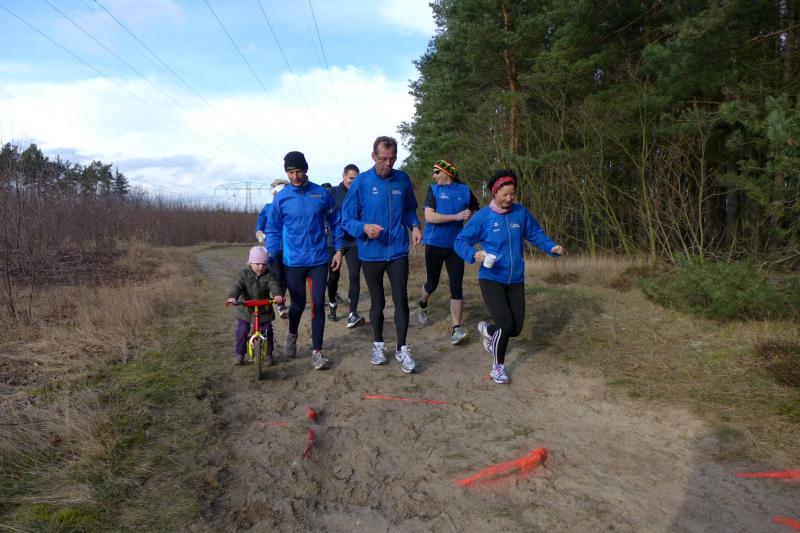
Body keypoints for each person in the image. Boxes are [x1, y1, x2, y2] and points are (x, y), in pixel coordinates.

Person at [454, 169, 564, 384]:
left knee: (515, 328)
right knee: (505, 323)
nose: (509, 198)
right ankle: (498, 368)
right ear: (494, 193)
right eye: (505, 194)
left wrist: (551, 248)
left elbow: (535, 234)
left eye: (512, 194)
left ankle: (488, 330)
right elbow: (460, 241)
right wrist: (473, 254)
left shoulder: (520, 213)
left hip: (516, 278)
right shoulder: (483, 217)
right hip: (491, 277)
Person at [342, 136, 422, 373]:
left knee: (400, 299)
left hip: (397, 250)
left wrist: (415, 226)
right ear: (373, 156)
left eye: (392, 159)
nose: (388, 164)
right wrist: (364, 228)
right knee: (378, 300)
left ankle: (402, 348)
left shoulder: (402, 179)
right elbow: (347, 219)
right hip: (371, 252)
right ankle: (378, 344)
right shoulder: (361, 182)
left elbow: (409, 209)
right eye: (383, 159)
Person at [266, 151, 344, 370]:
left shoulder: (321, 194)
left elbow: (336, 221)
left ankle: (317, 352)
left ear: (306, 169)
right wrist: (271, 255)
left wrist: (338, 250)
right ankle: (292, 334)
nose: (295, 176)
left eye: (299, 171)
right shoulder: (282, 198)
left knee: (318, 303)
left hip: (318, 259)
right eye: (290, 172)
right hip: (293, 261)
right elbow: (273, 229)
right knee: (298, 305)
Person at [416, 159, 479, 345]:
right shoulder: (433, 190)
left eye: (436, 172)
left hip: (456, 246)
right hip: (434, 243)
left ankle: (456, 329)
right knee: (432, 283)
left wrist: (469, 216)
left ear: (447, 172)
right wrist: (456, 216)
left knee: (456, 286)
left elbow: (476, 209)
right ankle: (423, 303)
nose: (433, 175)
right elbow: (429, 217)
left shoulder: (464, 190)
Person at [226, 246, 283, 366]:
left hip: (263, 310)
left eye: (264, 264)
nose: (261, 267)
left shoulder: (269, 275)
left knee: (267, 331)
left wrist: (277, 295)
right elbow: (237, 286)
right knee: (242, 331)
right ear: (250, 262)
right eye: (257, 264)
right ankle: (239, 353)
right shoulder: (244, 274)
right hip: (246, 309)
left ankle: (269, 353)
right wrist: (233, 297)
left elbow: (274, 285)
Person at [326, 164, 365, 327]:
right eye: (351, 178)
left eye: (356, 179)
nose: (353, 182)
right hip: (335, 240)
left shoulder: (360, 193)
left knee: (354, 276)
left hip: (354, 241)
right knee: (333, 276)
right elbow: (325, 213)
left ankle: (352, 313)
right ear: (343, 176)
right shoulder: (332, 193)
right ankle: (332, 304)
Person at [255, 178, 290, 319]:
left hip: (289, 248)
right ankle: (280, 305)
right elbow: (260, 222)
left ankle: (280, 300)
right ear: (274, 193)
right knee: (276, 275)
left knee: (286, 278)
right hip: (273, 248)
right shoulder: (267, 208)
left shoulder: (291, 208)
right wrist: (259, 231)